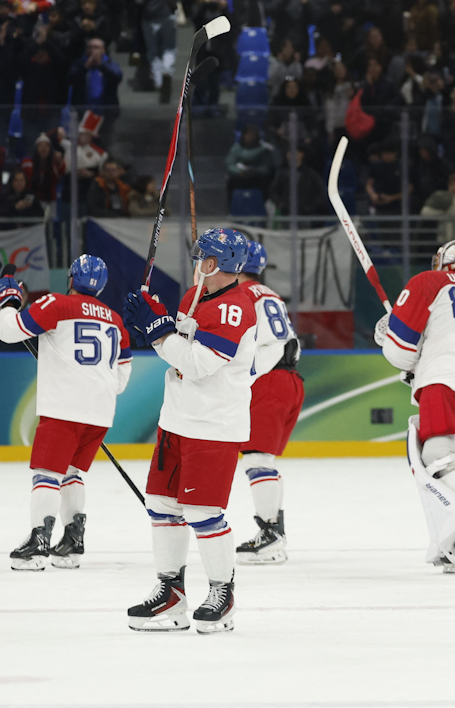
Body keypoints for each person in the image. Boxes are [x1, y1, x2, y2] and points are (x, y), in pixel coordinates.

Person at [121, 228, 257, 634]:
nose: (196, 262)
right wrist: (154, 320)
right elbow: (175, 353)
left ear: (214, 263)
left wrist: (157, 328)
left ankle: (222, 592)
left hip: (213, 425)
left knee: (202, 512)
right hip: (176, 419)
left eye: (202, 257)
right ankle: (170, 592)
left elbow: (198, 363)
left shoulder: (236, 307)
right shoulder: (192, 297)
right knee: (161, 505)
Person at [0, 256, 131, 570]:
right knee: (72, 473)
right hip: (100, 411)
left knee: (47, 473)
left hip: (64, 407)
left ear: (71, 277)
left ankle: (38, 543)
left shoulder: (56, 304)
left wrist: (8, 301)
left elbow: (8, 331)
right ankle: (72, 543)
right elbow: (121, 379)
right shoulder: (114, 319)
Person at [378, 239, 455, 575]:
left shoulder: (428, 281)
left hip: (445, 376)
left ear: (439, 260)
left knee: (437, 455)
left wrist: (387, 334)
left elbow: (400, 351)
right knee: (452, 462)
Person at [235, 241, 304, 565]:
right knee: (262, 461)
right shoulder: (270, 294)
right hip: (288, 379)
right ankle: (274, 531)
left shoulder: (241, 295)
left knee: (256, 460)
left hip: (268, 379)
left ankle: (271, 535)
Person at [133, 0, 183, 104]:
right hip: (167, 14)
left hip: (149, 16)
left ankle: (158, 80)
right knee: (169, 48)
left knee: (153, 50)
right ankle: (167, 71)